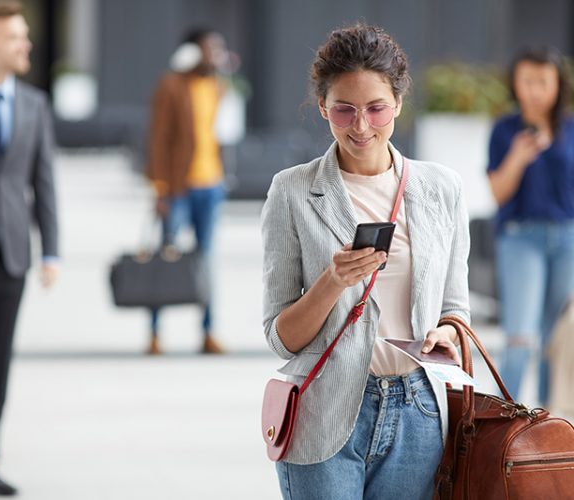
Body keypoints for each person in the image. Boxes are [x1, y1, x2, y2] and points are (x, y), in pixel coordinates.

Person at [261, 24, 470, 500]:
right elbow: (281, 336)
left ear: (398, 103)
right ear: (322, 108)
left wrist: (447, 332)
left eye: (376, 108)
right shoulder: (292, 192)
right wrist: (332, 282)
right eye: (344, 110)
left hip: (418, 414)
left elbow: (456, 308)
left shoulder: (441, 189)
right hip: (322, 411)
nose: (361, 126)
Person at [0, 1, 58, 495]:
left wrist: (51, 251)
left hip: (11, 256)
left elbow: (43, 182)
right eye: (14, 38)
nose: (25, 45)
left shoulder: (34, 105)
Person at [487, 47, 574, 406]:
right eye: (527, 81)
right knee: (520, 337)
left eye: (543, 81)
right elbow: (497, 192)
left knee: (556, 341)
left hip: (567, 239)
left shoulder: (571, 128)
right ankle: (500, 425)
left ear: (557, 84)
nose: (535, 89)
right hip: (521, 239)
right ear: (515, 84)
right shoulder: (505, 130)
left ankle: (546, 430)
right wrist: (519, 157)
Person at [146, 28, 227, 355]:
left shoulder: (219, 87)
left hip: (211, 186)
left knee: (205, 261)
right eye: (209, 49)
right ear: (193, 52)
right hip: (177, 187)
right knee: (165, 257)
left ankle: (207, 332)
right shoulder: (172, 85)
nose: (215, 55)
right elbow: (158, 137)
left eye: (218, 49)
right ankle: (154, 333)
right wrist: (160, 188)